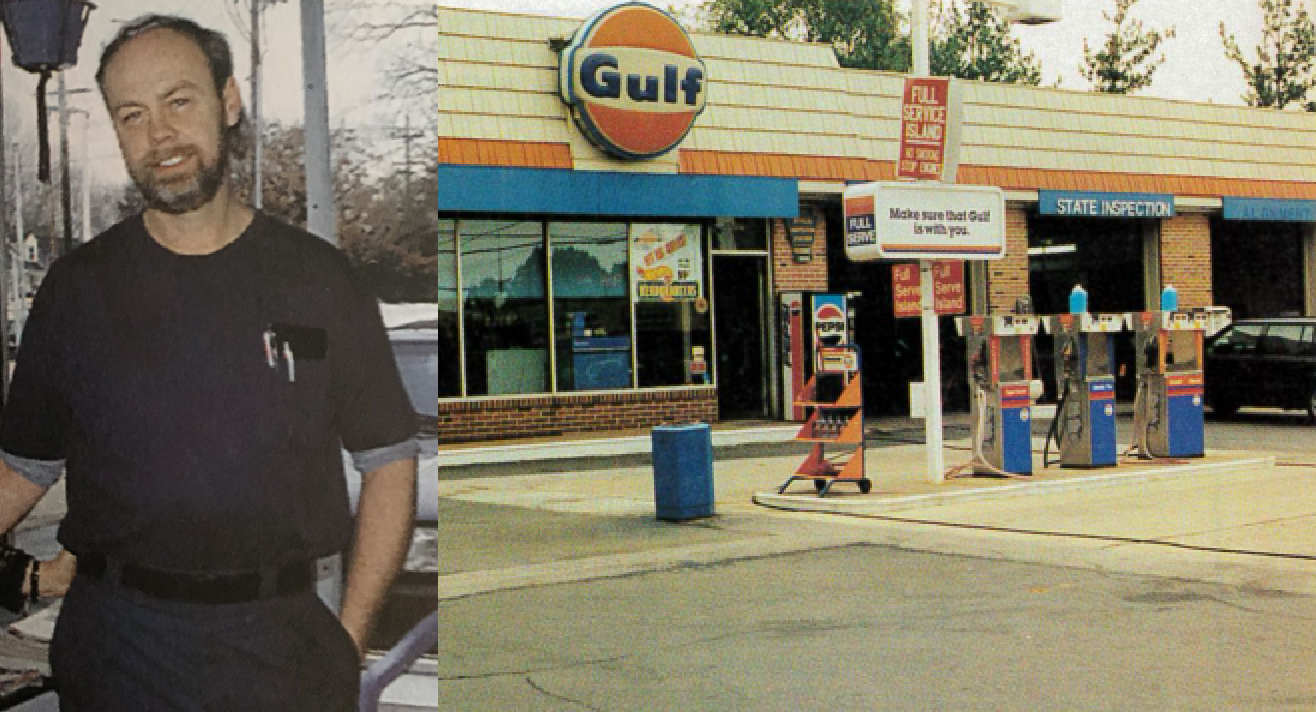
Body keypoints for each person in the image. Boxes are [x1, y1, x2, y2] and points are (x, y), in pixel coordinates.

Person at [0, 14, 419, 711]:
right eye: (132, 115)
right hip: (116, 652)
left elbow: (390, 461)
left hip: (281, 652)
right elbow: (20, 471)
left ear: (228, 101)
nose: (160, 134)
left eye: (178, 101)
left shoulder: (318, 279)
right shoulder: (76, 290)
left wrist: (347, 641)